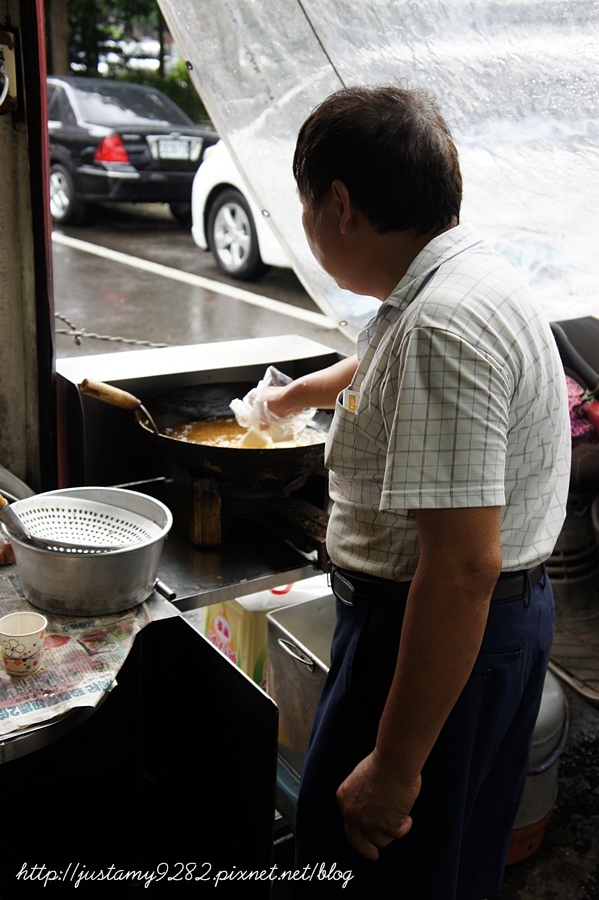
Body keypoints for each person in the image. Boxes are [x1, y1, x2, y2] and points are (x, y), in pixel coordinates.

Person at [262, 85, 571, 898]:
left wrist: (395, 768)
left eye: (303, 204)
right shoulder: (461, 277)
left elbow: (463, 568)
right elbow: (381, 361)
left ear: (338, 204)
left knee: (379, 860)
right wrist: (297, 396)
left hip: (434, 633)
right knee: (454, 859)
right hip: (485, 628)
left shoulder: (440, 327)